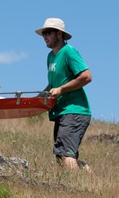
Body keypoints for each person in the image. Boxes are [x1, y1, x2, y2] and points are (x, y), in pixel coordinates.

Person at [36, 17, 93, 172]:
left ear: (59, 34)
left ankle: (77, 191)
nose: (44, 37)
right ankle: (89, 178)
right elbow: (54, 84)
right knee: (62, 157)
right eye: (43, 34)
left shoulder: (69, 52)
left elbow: (86, 77)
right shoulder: (50, 57)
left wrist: (61, 90)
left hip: (74, 110)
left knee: (66, 155)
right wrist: (39, 97)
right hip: (61, 112)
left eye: (48, 33)